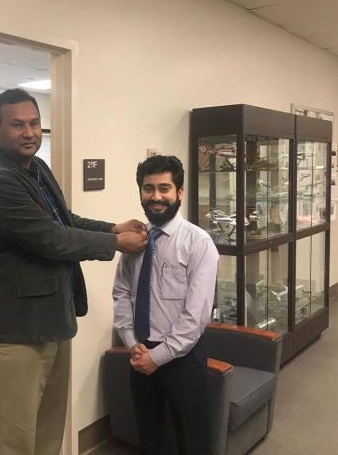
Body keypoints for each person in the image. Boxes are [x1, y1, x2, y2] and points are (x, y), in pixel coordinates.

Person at [0, 88, 147, 455]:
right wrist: (116, 243)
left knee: (49, 429)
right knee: (14, 440)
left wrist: (111, 227)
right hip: (16, 331)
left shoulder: (36, 168)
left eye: (35, 123)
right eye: (17, 125)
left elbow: (63, 221)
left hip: (52, 319)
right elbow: (51, 238)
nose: (29, 132)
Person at [112, 155, 219, 455]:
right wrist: (131, 342)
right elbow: (121, 293)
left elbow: (196, 315)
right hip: (140, 353)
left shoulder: (198, 243)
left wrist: (158, 356)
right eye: (148, 188)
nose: (156, 197)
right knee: (150, 437)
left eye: (164, 188)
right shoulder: (134, 242)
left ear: (180, 191)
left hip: (182, 357)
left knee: (193, 441)